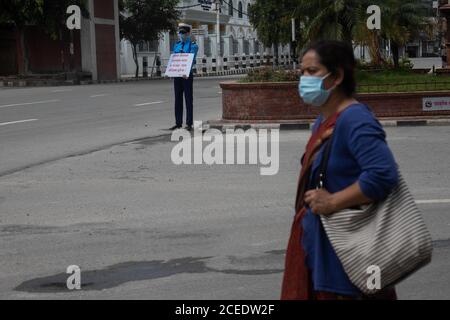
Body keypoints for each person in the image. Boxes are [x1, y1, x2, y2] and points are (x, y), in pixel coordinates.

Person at [281, 40, 399, 300]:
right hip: (321, 251)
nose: (304, 79)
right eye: (302, 72)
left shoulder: (355, 119)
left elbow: (383, 175)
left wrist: (333, 200)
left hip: (348, 261)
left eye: (312, 72)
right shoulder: (324, 121)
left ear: (336, 77)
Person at [169, 23, 199, 131]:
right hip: (177, 75)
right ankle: (178, 123)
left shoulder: (193, 45)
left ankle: (189, 123)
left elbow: (191, 59)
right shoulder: (177, 45)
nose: (182, 35)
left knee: (188, 98)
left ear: (188, 34)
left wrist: (186, 71)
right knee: (177, 99)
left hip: (187, 75)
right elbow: (174, 58)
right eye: (180, 33)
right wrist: (171, 71)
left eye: (184, 33)